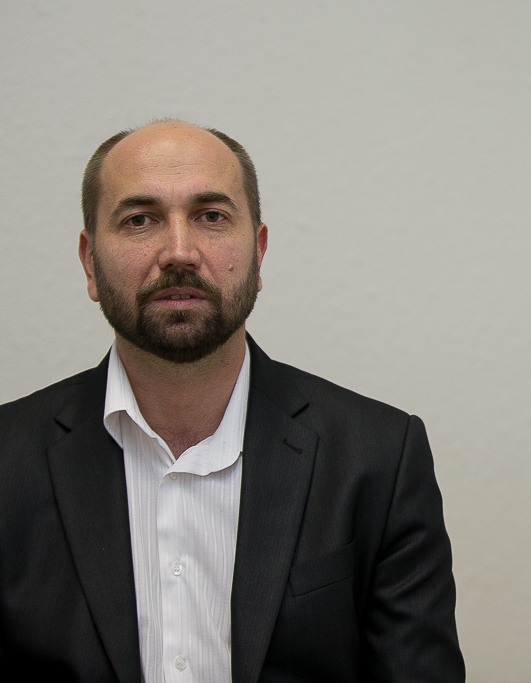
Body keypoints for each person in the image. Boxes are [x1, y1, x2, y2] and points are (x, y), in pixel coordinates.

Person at [0, 121, 465, 683]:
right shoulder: (8, 461)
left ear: (259, 252)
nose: (179, 252)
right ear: (89, 262)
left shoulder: (379, 458)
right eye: (139, 219)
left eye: (211, 217)